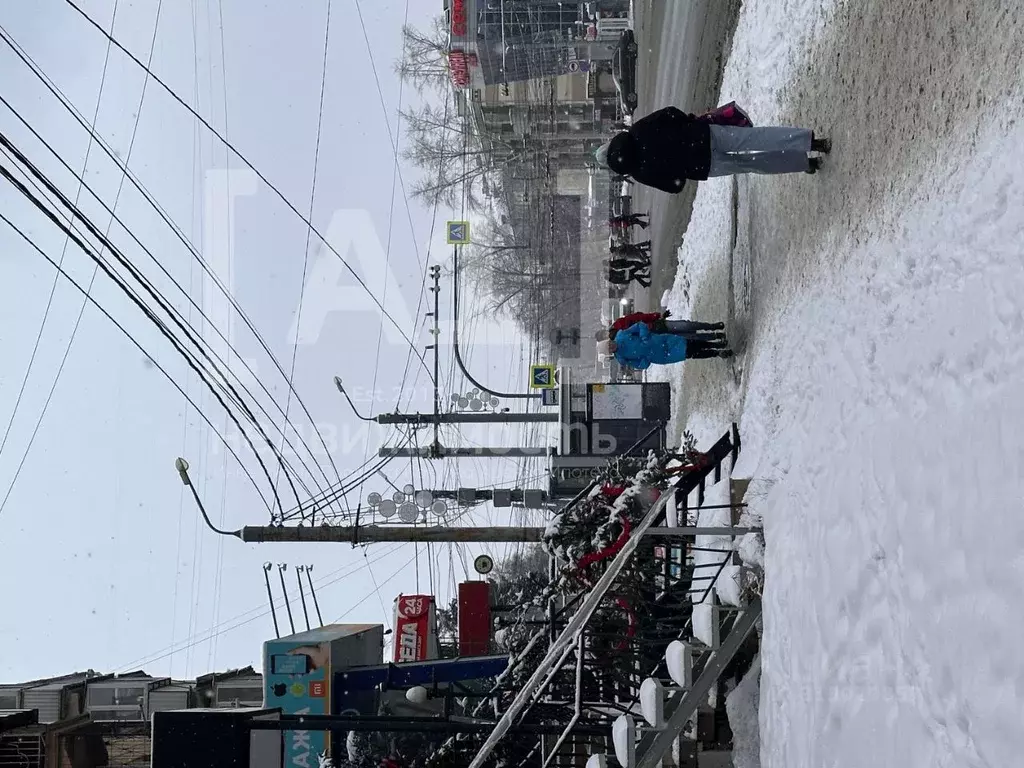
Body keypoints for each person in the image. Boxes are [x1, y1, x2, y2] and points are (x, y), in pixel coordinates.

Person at [594, 107, 831, 194]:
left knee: (754, 164)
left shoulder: (639, 172)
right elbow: (670, 113)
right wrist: (687, 124)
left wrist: (681, 167)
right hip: (702, 134)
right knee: (753, 138)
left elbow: (674, 186)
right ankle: (810, 142)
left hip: (704, 165)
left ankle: (803, 163)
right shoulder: (638, 130)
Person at [602, 322, 732, 369]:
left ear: (609, 341)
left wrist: (644, 336)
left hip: (662, 341)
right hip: (662, 356)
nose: (611, 347)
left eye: (609, 344)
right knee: (691, 354)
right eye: (609, 349)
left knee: (691, 343)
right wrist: (645, 359)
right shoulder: (621, 358)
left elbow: (640, 325)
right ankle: (716, 353)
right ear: (610, 353)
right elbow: (641, 365)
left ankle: (716, 344)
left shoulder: (622, 335)